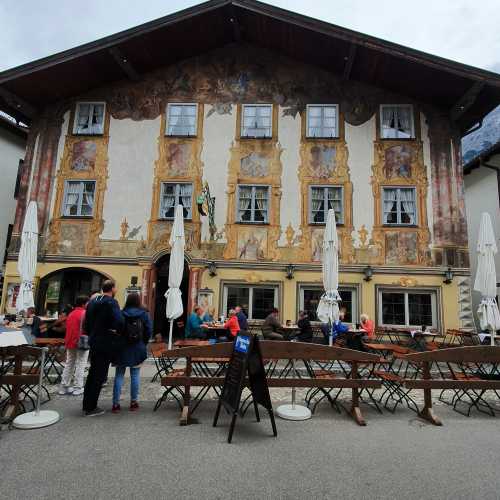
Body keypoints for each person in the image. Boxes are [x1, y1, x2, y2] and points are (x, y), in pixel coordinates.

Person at [82, 280, 125, 417]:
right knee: (99, 375)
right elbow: (120, 321)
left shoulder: (93, 301)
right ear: (112, 289)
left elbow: (86, 323)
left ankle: (87, 403)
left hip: (93, 340)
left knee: (92, 374)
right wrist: (115, 331)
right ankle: (91, 407)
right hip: (105, 342)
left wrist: (92, 333)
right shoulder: (111, 302)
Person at [111, 292, 152, 413]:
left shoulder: (121, 313)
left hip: (121, 347)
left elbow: (115, 329)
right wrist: (143, 342)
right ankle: (133, 402)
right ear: (138, 301)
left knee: (119, 375)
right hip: (137, 347)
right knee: (135, 375)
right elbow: (149, 330)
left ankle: (116, 404)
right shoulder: (143, 314)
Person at [58, 295, 89, 396]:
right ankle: (78, 387)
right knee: (81, 364)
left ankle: (64, 386)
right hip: (81, 342)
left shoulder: (71, 314)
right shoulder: (85, 313)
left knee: (69, 363)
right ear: (84, 304)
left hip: (70, 341)